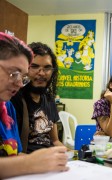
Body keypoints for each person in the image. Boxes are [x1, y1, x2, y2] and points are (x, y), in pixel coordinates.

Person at [0, 32, 68, 178]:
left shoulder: (7, 108)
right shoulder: (14, 100)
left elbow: (14, 153)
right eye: (13, 73)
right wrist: (31, 162)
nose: (19, 84)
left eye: (22, 77)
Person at [11, 42, 65, 153]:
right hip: (26, 163)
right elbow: (12, 151)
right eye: (34, 67)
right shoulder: (13, 99)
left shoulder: (49, 100)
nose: (41, 73)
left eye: (47, 68)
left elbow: (55, 141)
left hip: (49, 161)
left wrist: (73, 154)